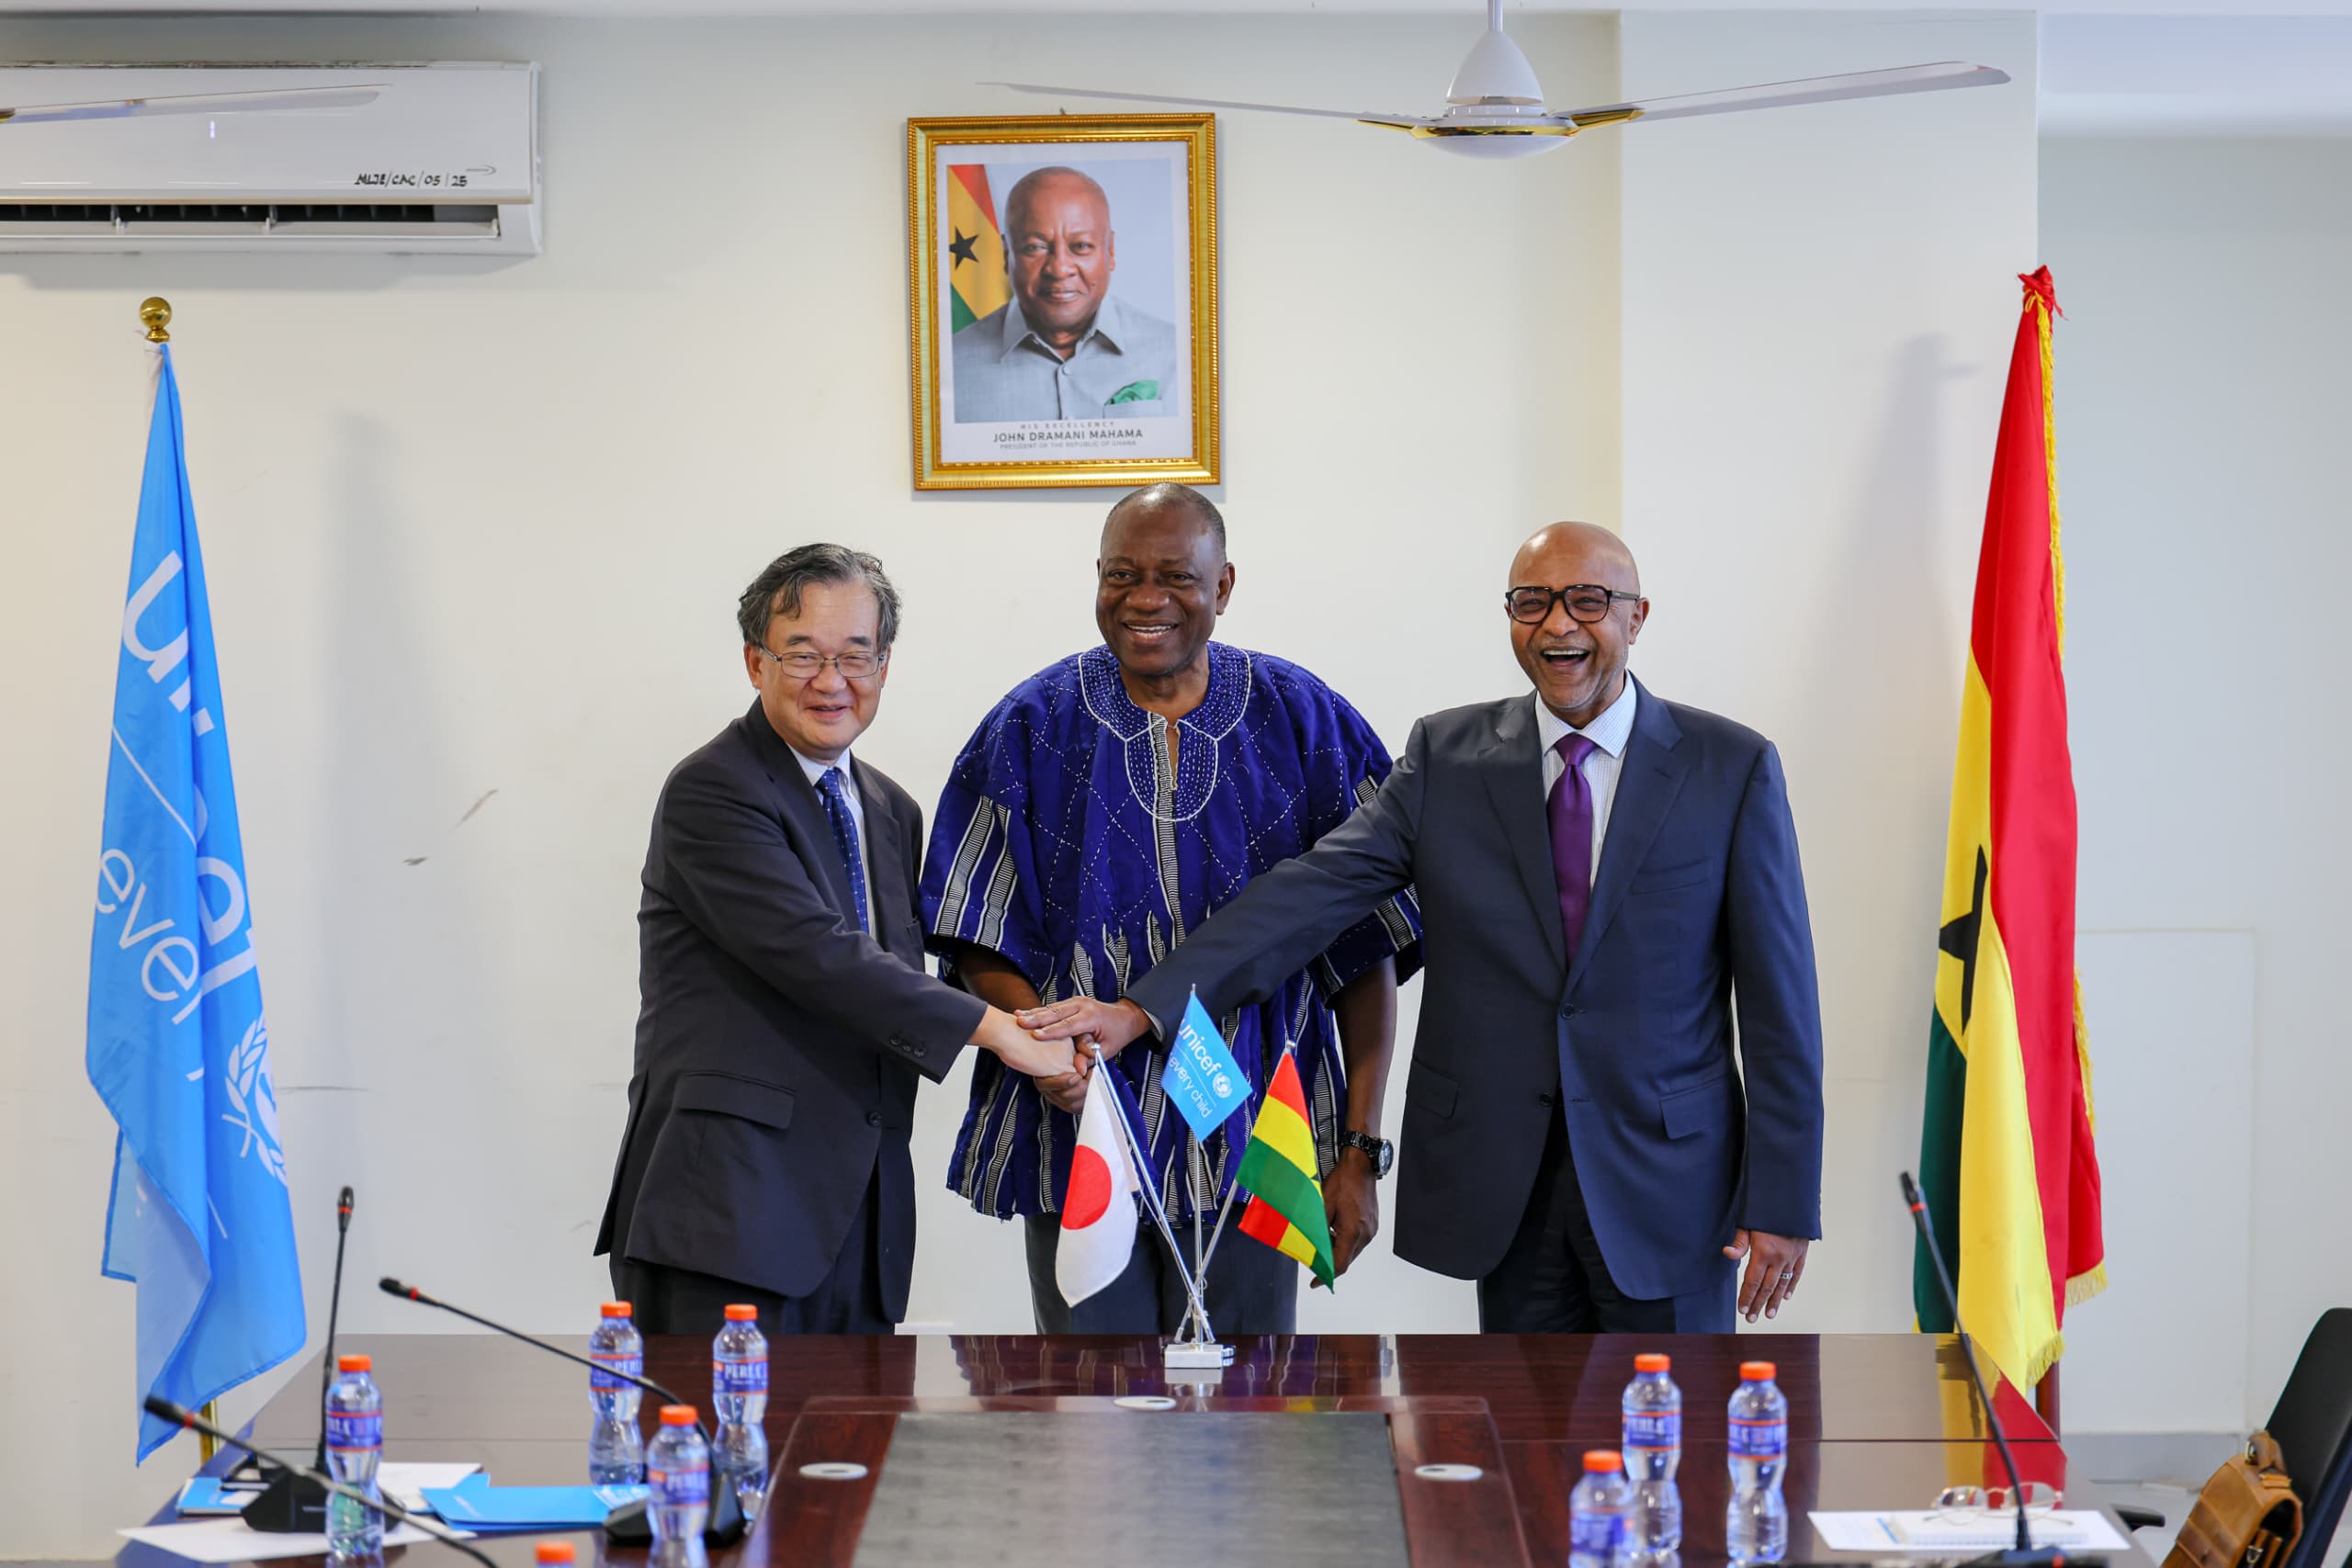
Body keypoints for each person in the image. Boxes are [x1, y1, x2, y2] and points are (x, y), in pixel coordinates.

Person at [1023, 522, 1825, 1333]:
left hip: (1672, 1189)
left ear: (1636, 616)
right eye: (1533, 601)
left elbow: (1779, 1007)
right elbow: (1308, 895)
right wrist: (1143, 1009)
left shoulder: (1730, 767)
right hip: (1506, 1188)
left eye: (1588, 600)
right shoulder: (1450, 755)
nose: (1558, 624)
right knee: (1519, 1415)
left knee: (1673, 1414)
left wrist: (1783, 1200)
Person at [922, 483, 1420, 1334]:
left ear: (1223, 585)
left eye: (1175, 576)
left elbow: (1364, 947)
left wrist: (1361, 1152)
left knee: (1253, 1397)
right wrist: (1049, 1049)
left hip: (1261, 1132)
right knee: (1090, 1397)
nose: (1145, 598)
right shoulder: (1029, 726)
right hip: (1082, 1126)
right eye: (1122, 574)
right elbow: (976, 931)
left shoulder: (1308, 721)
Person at [596, 544, 1075, 1335]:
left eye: (856, 655)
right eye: (803, 654)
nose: (832, 680)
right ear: (755, 661)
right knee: (727, 1424)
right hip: (728, 1216)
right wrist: (1002, 1033)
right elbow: (818, 955)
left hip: (861, 1223)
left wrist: (1052, 1022)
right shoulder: (713, 790)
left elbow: (907, 973)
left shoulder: (891, 809)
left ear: (884, 665)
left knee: (859, 1426)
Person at [951, 165, 1180, 423]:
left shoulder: (1179, 354)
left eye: (1081, 246)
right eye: (1035, 247)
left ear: (1110, 251)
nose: (1059, 269)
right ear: (1007, 254)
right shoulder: (948, 367)